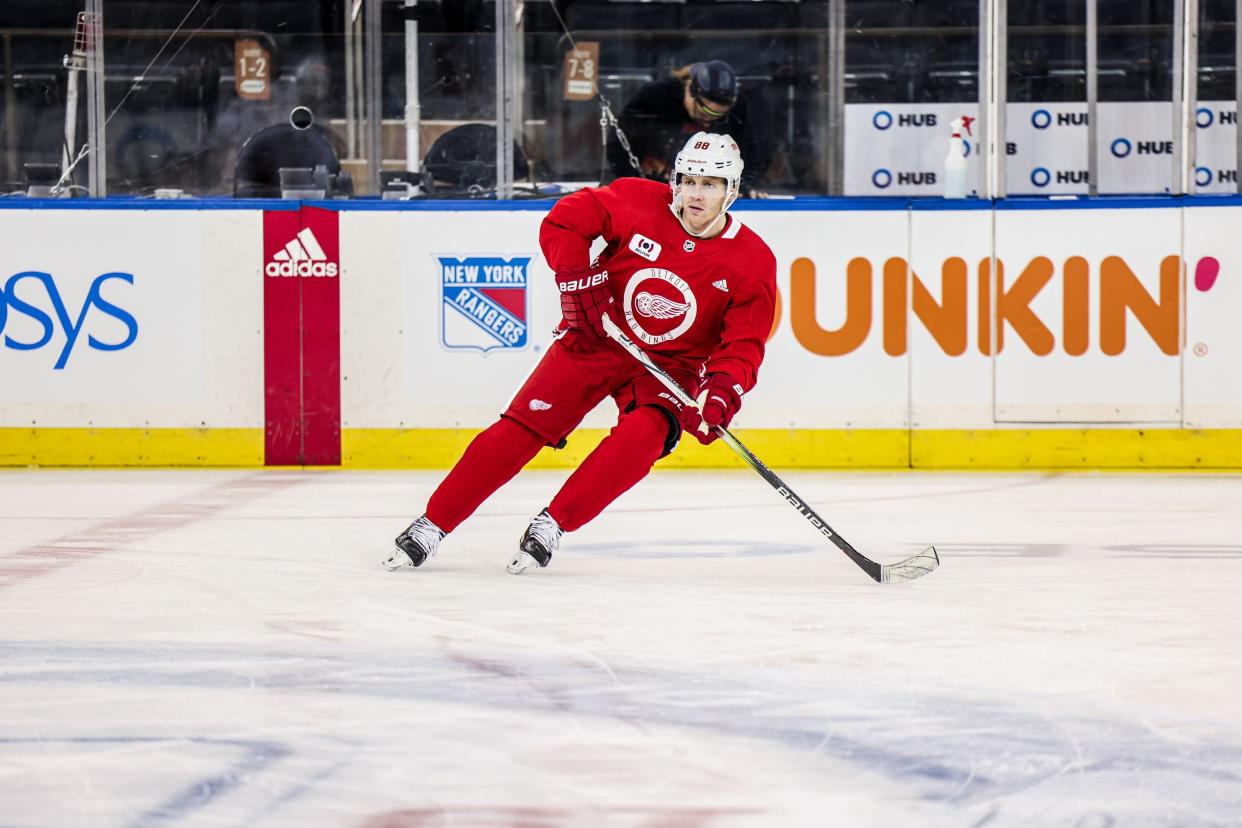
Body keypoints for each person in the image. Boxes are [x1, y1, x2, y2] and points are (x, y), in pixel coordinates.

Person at [383, 132, 777, 575]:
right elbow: (565, 221)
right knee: (521, 427)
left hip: (669, 367)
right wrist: (575, 276)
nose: (695, 194)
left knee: (643, 437)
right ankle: (433, 523)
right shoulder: (636, 200)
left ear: (732, 191)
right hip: (597, 337)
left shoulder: (752, 261)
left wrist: (721, 391)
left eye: (710, 184)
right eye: (688, 180)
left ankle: (552, 524)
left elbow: (743, 344)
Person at [607, 60, 770, 198]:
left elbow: (747, 149)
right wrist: (631, 185)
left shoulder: (738, 107)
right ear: (692, 91)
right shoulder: (655, 97)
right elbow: (619, 143)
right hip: (650, 186)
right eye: (705, 111)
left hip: (701, 192)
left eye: (719, 115)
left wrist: (746, 184)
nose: (708, 120)